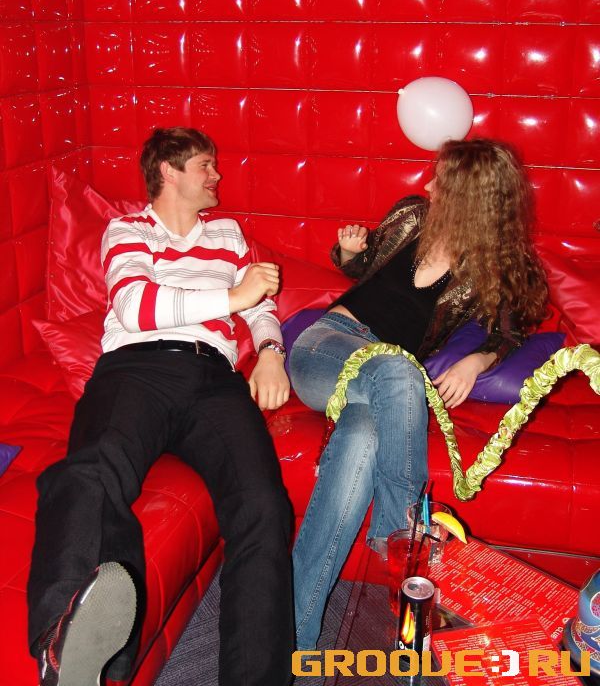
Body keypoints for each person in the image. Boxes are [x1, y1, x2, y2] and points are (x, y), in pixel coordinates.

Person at [28, 127, 294, 686]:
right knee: (92, 472)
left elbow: (260, 307)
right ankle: (67, 650)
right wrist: (235, 296)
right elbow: (135, 305)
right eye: (205, 165)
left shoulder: (227, 233)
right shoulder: (127, 230)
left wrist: (270, 350)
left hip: (215, 378)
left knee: (263, 507)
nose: (217, 175)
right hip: (136, 369)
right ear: (168, 172)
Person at [290, 138, 548, 650]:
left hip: (382, 387)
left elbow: (516, 327)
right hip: (328, 347)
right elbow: (365, 270)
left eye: (440, 180)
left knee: (363, 438)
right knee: (398, 367)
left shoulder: (493, 265)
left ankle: (294, 639)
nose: (427, 185)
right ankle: (404, 536)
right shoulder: (411, 216)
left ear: (471, 197)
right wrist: (349, 254)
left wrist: (478, 359)